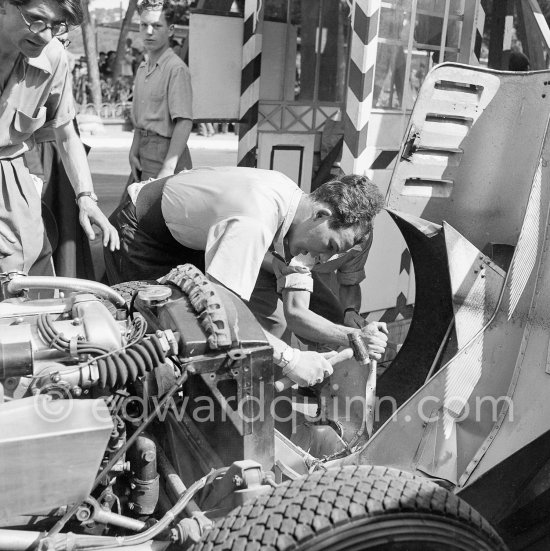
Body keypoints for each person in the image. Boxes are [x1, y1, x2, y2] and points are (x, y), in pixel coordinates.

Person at [104, 167, 388, 386]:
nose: (325, 259)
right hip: (143, 234)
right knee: (155, 349)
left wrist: (354, 335)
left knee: (266, 319)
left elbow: (294, 313)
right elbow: (220, 314)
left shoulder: (299, 213)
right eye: (330, 247)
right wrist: (292, 359)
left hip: (188, 237)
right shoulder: (256, 216)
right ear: (322, 214)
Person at [0, 0, 118, 282]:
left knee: (28, 278)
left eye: (56, 25)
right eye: (36, 20)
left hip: (14, 190)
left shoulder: (52, 56)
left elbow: (66, 133)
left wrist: (86, 198)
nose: (45, 34)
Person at [128, 0, 193, 184]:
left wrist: (168, 168)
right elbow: (141, 121)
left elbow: (184, 122)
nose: (149, 32)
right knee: (134, 210)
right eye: (144, 25)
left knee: (151, 211)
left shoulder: (176, 69)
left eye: (157, 26)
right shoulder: (142, 69)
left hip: (165, 153)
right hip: (142, 152)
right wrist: (133, 151)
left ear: (170, 30)